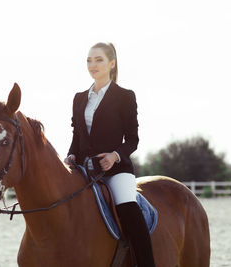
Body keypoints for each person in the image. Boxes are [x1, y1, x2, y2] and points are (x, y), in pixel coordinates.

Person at [64, 42, 156, 267]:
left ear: (111, 64)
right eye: (89, 60)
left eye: (98, 60)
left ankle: (146, 263)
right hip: (85, 169)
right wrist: (71, 155)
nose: (92, 65)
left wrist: (114, 156)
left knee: (127, 206)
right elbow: (77, 135)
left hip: (116, 170)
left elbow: (132, 140)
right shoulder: (79, 98)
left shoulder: (125, 96)